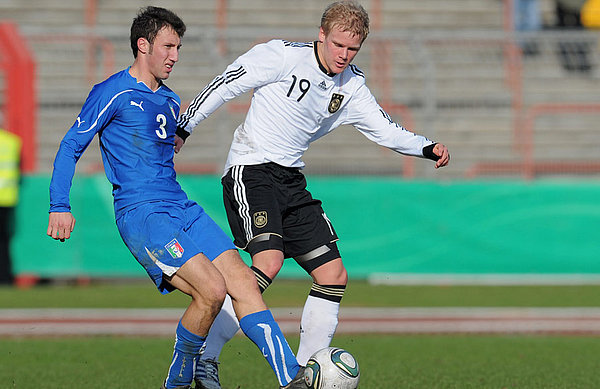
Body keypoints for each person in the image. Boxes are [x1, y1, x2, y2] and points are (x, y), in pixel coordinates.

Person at [175, 1, 450, 388]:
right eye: (338, 45)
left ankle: (302, 376)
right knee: (267, 263)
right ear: (321, 35)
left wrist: (426, 146)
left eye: (353, 49)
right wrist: (184, 128)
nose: (344, 55)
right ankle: (207, 359)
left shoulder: (351, 85)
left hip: (291, 181)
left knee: (334, 275)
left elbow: (385, 129)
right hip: (250, 171)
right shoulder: (282, 56)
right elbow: (226, 84)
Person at [46, 6, 304, 389]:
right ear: (143, 45)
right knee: (212, 291)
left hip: (181, 206)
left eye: (178, 47)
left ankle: (293, 378)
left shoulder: (170, 101)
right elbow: (71, 146)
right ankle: (180, 379)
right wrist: (59, 205)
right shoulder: (111, 92)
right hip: (143, 214)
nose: (175, 56)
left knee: (244, 284)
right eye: (168, 46)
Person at [0, 127, 21, 285]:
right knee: (5, 241)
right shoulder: (12, 141)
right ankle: (6, 277)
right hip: (8, 198)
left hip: (6, 198)